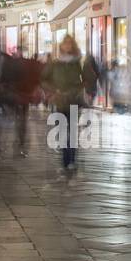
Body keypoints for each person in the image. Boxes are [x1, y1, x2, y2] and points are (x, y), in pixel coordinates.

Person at [48, 35, 85, 173]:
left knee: (73, 131)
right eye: (65, 43)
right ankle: (65, 160)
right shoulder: (55, 63)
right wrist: (54, 90)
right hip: (61, 101)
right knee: (63, 131)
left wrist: (77, 89)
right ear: (62, 46)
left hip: (74, 100)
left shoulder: (77, 63)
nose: (68, 45)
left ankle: (72, 160)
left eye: (70, 43)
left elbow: (84, 80)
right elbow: (45, 79)